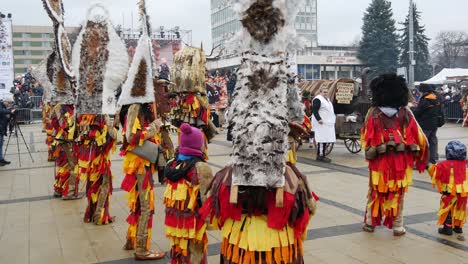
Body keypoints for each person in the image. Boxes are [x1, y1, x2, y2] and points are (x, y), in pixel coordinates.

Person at [118, 2, 166, 259]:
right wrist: (153, 128)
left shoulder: (140, 105)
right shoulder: (135, 106)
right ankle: (141, 248)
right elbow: (130, 137)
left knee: (139, 202)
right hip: (138, 161)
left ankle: (130, 240)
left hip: (140, 162)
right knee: (146, 205)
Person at [361, 73, 429, 236]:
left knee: (375, 189)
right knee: (398, 192)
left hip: (379, 160)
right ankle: (398, 225)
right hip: (400, 160)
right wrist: (421, 155)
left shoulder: (373, 112)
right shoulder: (405, 112)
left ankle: (370, 221)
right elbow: (419, 136)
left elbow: (365, 135)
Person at [164, 123, 213, 263]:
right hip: (193, 223)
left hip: (175, 221)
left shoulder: (172, 163)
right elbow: (206, 200)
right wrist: (210, 223)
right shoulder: (201, 167)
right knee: (195, 253)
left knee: (179, 250)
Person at [428, 141, 467, 240]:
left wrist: (428, 167)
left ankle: (448, 228)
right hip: (463, 193)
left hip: (449, 192)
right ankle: (458, 227)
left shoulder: (443, 164)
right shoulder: (466, 164)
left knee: (447, 208)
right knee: (460, 208)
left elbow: (435, 173)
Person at [412, 83, 444, 164]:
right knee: (432, 141)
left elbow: (419, 111)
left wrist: (411, 110)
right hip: (434, 123)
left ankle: (423, 162)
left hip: (425, 124)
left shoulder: (426, 99)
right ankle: (432, 159)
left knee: (423, 143)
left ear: (422, 90)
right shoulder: (435, 97)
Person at [311, 87, 336, 162]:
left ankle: (323, 155)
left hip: (327, 123)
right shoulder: (318, 99)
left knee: (325, 139)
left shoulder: (327, 100)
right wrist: (319, 119)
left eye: (326, 92)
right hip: (321, 123)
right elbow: (314, 110)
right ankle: (320, 155)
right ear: (320, 92)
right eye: (324, 92)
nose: (325, 93)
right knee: (321, 139)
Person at [0, 100, 13, 166]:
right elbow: (1, 111)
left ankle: (1, 159)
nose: (8, 103)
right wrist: (9, 111)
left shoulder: (2, 106)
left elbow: (4, 117)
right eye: (7, 102)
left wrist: (10, 116)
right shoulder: (1, 106)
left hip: (1, 129)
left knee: (1, 144)